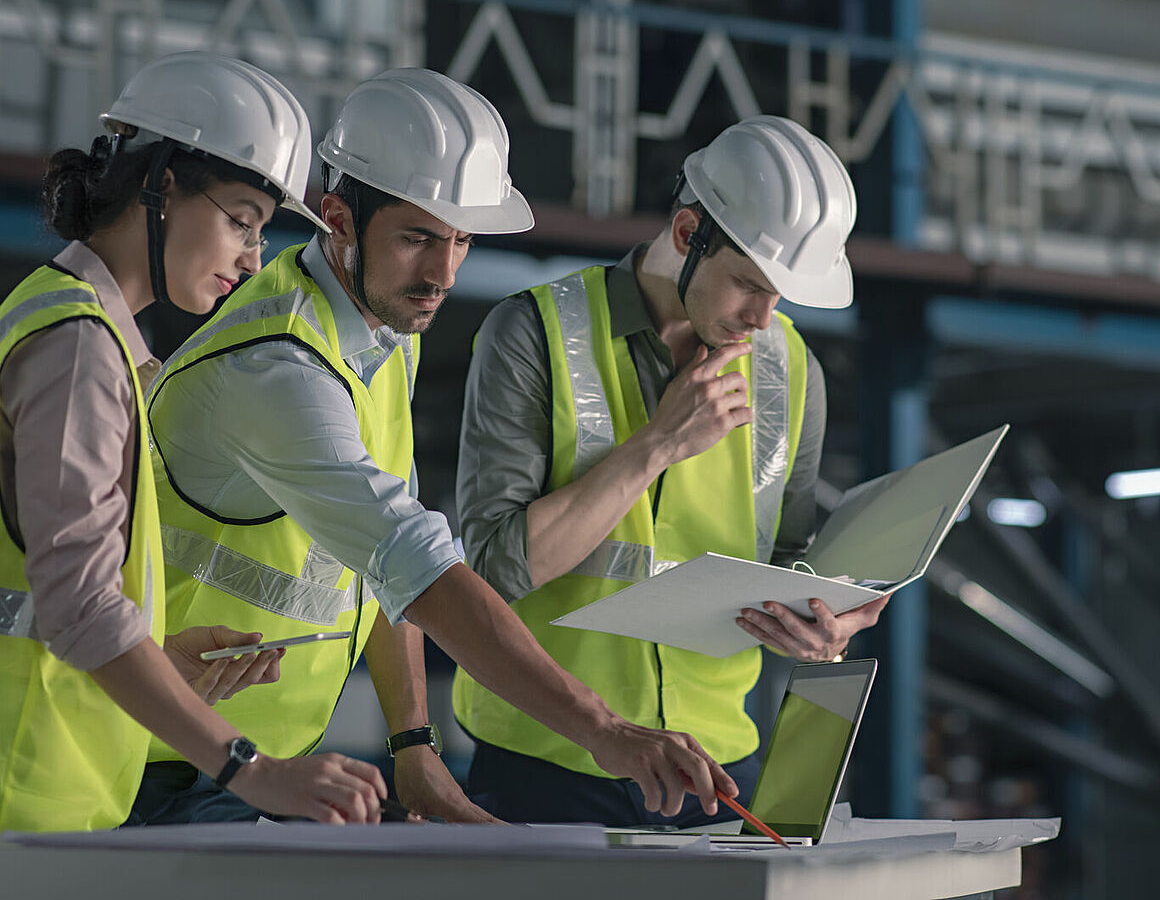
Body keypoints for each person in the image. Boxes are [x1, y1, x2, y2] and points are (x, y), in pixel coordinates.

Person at [132, 67, 734, 826]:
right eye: (417, 237)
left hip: (263, 766)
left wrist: (413, 745)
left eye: (461, 240)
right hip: (165, 767)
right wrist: (605, 730)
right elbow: (416, 566)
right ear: (338, 220)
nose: (443, 273)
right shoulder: (278, 369)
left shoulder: (383, 334)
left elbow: (382, 566)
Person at [452, 114, 891, 825]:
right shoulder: (532, 332)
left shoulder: (791, 370)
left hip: (716, 770)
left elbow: (789, 562)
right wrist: (656, 444)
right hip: (549, 760)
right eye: (748, 283)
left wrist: (822, 627)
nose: (763, 317)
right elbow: (496, 570)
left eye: (780, 294)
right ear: (688, 233)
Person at [0, 52, 387, 832]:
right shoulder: (78, 346)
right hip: (27, 795)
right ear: (161, 186)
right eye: (240, 220)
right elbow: (80, 605)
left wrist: (160, 658)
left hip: (52, 790)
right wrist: (252, 770)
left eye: (262, 231)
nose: (253, 257)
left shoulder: (73, 323)